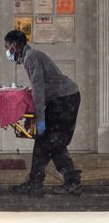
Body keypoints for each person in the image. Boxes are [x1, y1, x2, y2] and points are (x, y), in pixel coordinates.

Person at [4, 30, 82, 196]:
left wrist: (39, 118)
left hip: (65, 99)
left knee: (53, 141)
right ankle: (36, 181)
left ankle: (71, 181)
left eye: (7, 46)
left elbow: (39, 90)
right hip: (61, 99)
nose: (7, 51)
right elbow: (40, 87)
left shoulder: (31, 57)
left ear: (15, 45)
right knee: (45, 141)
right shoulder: (30, 57)